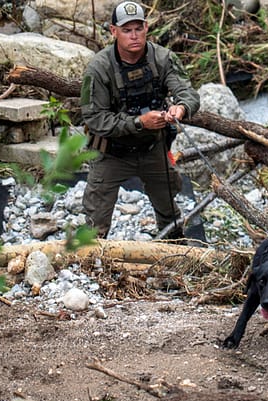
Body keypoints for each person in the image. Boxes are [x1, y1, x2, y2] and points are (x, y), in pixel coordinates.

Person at [80, 1, 200, 240]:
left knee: (169, 212)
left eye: (138, 28)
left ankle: (174, 251)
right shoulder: (98, 68)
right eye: (126, 30)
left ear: (146, 28)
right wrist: (138, 122)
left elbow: (188, 93)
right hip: (111, 152)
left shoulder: (163, 58)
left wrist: (180, 108)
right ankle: (90, 266)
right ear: (114, 31)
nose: (134, 36)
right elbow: (95, 118)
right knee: (95, 223)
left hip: (152, 148)